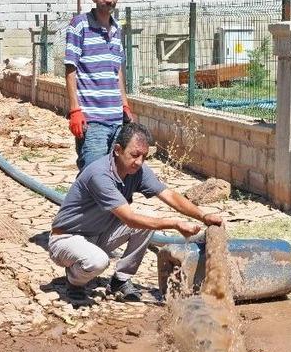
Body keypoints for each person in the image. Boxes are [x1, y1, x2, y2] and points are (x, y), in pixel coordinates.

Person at [48, 122, 223, 302]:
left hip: (98, 235)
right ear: (117, 150)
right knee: (98, 261)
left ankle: (120, 279)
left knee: (147, 222)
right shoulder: (100, 175)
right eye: (134, 155)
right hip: (66, 239)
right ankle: (74, 281)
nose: (139, 161)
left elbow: (169, 195)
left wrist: (203, 216)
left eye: (144, 156)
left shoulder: (137, 170)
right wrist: (175, 224)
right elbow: (130, 219)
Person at [65, 0, 136, 172]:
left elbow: (117, 72)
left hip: (116, 120)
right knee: (92, 175)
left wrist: (125, 106)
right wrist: (75, 110)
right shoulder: (80, 25)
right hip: (92, 121)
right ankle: (78, 205)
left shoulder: (116, 30)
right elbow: (71, 70)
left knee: (114, 176)